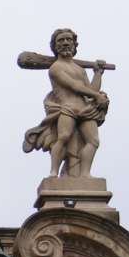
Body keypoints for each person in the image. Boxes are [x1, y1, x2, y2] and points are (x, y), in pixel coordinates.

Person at [22, 28, 109, 178]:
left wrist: (98, 74)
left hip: (84, 109)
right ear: (55, 46)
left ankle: (85, 174)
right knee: (63, 137)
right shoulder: (56, 68)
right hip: (67, 108)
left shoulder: (80, 69)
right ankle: (54, 172)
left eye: (69, 40)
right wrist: (96, 95)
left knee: (93, 141)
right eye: (61, 40)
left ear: (75, 44)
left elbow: (89, 90)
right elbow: (74, 86)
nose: (65, 43)